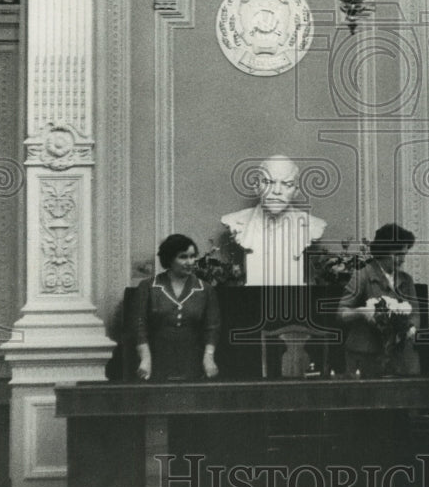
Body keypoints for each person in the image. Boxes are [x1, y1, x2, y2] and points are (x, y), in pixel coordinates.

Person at [221, 155, 326, 287]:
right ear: (256, 187)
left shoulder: (312, 225)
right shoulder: (235, 221)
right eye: (269, 182)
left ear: (296, 192)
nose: (277, 191)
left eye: (287, 184)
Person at [337, 223, 419, 378]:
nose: (402, 260)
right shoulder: (361, 276)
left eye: (404, 254)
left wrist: (410, 330)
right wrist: (361, 312)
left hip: (398, 355)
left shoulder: (406, 280)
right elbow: (341, 313)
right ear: (384, 251)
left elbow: (415, 313)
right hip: (365, 355)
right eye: (398, 254)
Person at [136, 233, 220, 382]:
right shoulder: (148, 287)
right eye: (183, 257)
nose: (190, 262)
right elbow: (139, 326)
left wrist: (209, 358)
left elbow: (212, 327)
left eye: (192, 256)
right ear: (169, 258)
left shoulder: (205, 289)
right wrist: (145, 359)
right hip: (156, 362)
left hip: (193, 362)